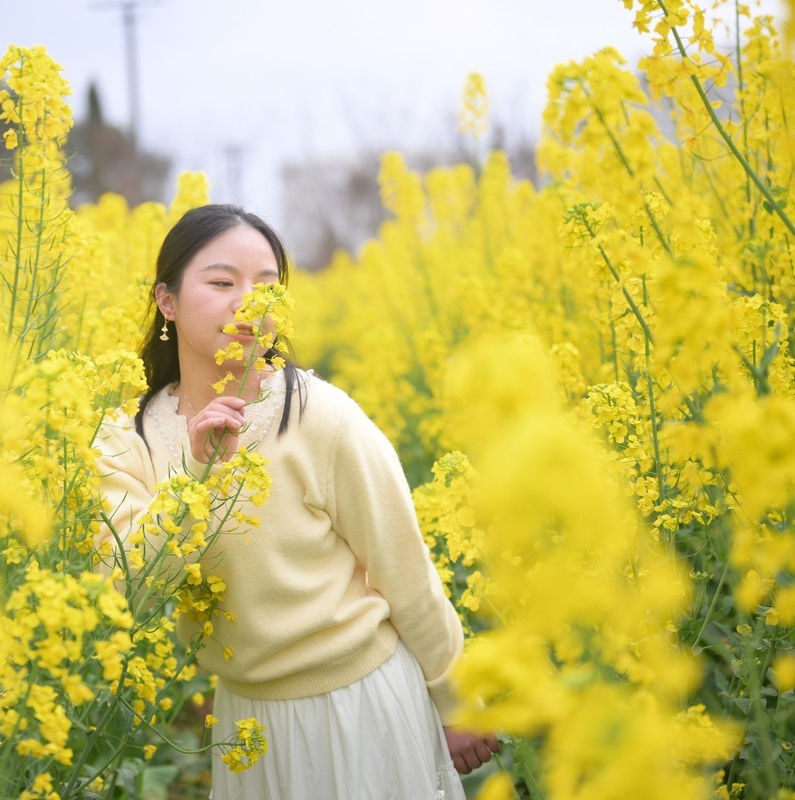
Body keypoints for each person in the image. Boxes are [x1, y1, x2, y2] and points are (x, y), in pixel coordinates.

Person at [94, 204, 499, 799]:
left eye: (267, 286)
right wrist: (197, 475)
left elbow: (404, 569)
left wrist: (456, 698)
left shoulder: (320, 415)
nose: (248, 303)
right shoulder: (127, 436)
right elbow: (126, 588)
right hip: (244, 727)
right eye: (222, 282)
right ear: (167, 300)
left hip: (360, 705)